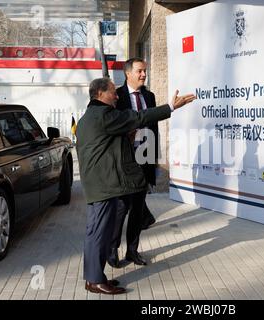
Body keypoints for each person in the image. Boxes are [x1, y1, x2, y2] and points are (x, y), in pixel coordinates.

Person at [76, 77, 195, 294]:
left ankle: (95, 277)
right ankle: (94, 280)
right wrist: (170, 107)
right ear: (101, 93)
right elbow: (138, 117)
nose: (117, 95)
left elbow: (107, 145)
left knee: (96, 231)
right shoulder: (104, 114)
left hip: (97, 184)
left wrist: (127, 139)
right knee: (98, 233)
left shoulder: (89, 116)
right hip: (103, 185)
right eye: (113, 91)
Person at [115, 58, 158, 231]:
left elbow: (153, 126)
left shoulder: (149, 96)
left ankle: (141, 224)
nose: (143, 75)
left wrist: (154, 154)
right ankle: (143, 219)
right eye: (139, 71)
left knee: (140, 194)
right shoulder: (118, 96)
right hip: (127, 154)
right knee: (126, 198)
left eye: (145, 71)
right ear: (128, 73)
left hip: (145, 152)